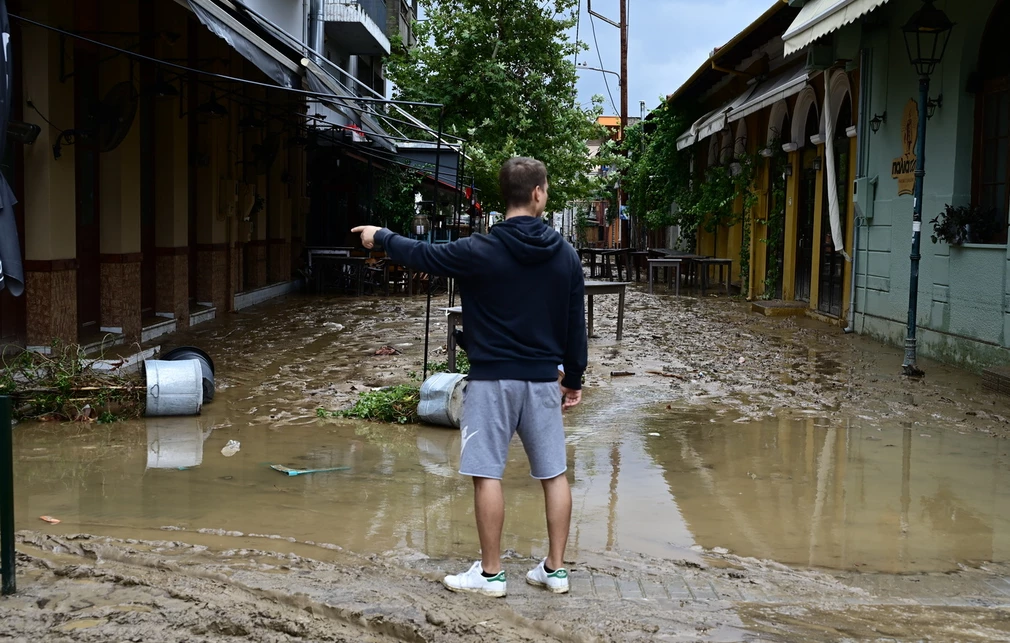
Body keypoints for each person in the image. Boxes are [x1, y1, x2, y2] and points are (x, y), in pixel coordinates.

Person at [352, 157, 587, 598]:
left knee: (487, 475)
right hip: (541, 380)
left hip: (490, 380)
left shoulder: (478, 249)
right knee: (554, 474)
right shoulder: (565, 255)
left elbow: (422, 254)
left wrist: (379, 236)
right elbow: (576, 324)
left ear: (508, 195)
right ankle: (555, 571)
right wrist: (572, 378)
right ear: (538, 193)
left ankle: (492, 575)